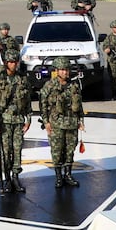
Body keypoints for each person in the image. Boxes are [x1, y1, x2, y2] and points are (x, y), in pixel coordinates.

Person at [0, 49, 31, 194]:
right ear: (6, 63)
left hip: (18, 120)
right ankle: (7, 178)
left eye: (15, 62)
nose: (13, 64)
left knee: (17, 150)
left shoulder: (22, 79)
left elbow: (27, 101)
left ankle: (16, 177)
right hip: (3, 121)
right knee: (6, 151)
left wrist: (28, 119)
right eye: (11, 62)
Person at [40, 57, 84, 188]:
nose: (65, 73)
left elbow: (79, 105)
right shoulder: (49, 86)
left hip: (71, 123)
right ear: (57, 71)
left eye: (67, 70)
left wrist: (81, 121)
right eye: (62, 70)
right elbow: (43, 105)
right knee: (57, 151)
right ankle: (59, 176)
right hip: (56, 124)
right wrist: (46, 122)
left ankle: (68, 174)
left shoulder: (74, 85)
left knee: (70, 150)